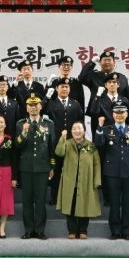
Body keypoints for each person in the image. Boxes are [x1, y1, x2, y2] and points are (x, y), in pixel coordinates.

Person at [94, 104, 129, 240]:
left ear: (126, 114)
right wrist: (99, 126)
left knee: (127, 203)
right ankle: (115, 231)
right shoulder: (106, 130)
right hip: (112, 172)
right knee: (114, 203)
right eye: (117, 113)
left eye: (122, 113)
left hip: (128, 171)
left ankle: (126, 231)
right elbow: (98, 143)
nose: (119, 115)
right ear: (113, 115)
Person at [15, 92, 55, 240]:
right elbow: (17, 146)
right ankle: (28, 230)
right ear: (26, 108)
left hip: (42, 167)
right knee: (26, 201)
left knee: (40, 201)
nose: (33, 108)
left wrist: (52, 166)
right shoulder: (20, 124)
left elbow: (51, 146)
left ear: (40, 106)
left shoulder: (48, 124)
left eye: (35, 105)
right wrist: (24, 132)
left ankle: (39, 230)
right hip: (26, 167)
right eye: (30, 105)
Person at [55, 122, 101, 239]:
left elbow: (96, 164)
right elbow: (59, 152)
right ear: (71, 131)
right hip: (70, 182)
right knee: (70, 206)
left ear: (84, 131)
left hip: (86, 182)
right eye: (74, 128)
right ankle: (72, 230)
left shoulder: (91, 145)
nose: (77, 131)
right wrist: (62, 138)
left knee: (85, 205)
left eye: (79, 128)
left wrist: (97, 181)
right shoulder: (67, 143)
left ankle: (83, 230)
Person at [43, 77, 84, 205]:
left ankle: (70, 198)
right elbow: (41, 110)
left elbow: (81, 122)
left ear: (69, 89)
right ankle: (55, 197)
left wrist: (80, 139)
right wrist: (46, 97)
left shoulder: (75, 104)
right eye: (62, 87)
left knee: (71, 171)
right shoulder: (51, 103)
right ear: (57, 88)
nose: (64, 89)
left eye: (67, 87)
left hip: (72, 142)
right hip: (55, 143)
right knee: (55, 170)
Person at [78, 50, 129, 128]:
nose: (107, 62)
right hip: (98, 116)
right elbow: (81, 78)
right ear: (99, 63)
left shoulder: (122, 78)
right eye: (104, 60)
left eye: (109, 60)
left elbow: (127, 99)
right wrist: (92, 63)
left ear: (114, 62)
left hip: (119, 115)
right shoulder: (94, 76)